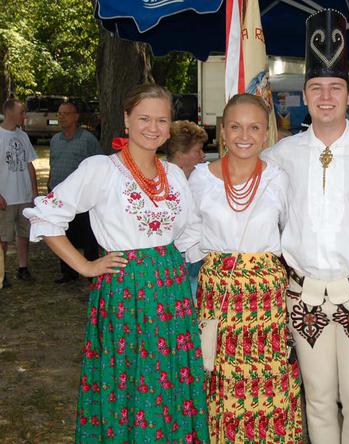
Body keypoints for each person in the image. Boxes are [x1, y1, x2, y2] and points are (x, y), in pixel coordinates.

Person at [24, 84, 208, 442]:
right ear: (126, 119)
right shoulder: (102, 169)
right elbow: (46, 216)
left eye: (161, 120)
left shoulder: (173, 175)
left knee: (168, 380)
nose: (153, 127)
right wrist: (85, 265)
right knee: (131, 380)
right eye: (143, 118)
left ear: (170, 126)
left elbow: (190, 234)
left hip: (172, 294)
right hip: (126, 292)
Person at [262, 9, 349, 444]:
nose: (326, 96)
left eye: (335, 88)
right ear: (305, 95)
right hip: (303, 292)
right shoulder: (281, 154)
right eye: (317, 88)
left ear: (348, 93)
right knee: (318, 398)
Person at [178, 93, 303, 443]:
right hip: (218, 289)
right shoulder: (201, 178)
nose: (244, 135)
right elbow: (186, 232)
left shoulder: (279, 178)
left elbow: (293, 231)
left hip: (265, 294)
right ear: (222, 130)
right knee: (219, 375)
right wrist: (209, 262)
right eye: (235, 126)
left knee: (268, 379)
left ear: (266, 134)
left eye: (253, 127)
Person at [49, 101, 103, 284]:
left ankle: (92, 273)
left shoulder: (87, 139)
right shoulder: (55, 140)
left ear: (76, 116)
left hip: (82, 197)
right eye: (59, 114)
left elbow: (98, 165)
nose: (61, 117)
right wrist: (49, 187)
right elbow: (53, 164)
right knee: (64, 234)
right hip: (59, 196)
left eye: (65, 113)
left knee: (88, 235)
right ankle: (68, 272)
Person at [0, 98, 37, 287]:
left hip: (24, 196)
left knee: (23, 234)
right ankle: (1, 272)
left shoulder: (23, 135)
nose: (25, 115)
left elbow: (29, 163)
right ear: (9, 113)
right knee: (3, 237)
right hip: (5, 197)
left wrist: (34, 191)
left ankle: (23, 267)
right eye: (21, 112)